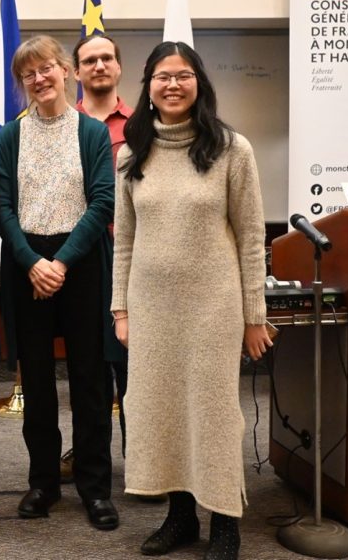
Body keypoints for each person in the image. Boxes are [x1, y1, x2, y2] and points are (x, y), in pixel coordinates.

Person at [111, 41, 271, 560]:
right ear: (148, 85)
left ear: (199, 82)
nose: (172, 84)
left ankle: (225, 523)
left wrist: (254, 316)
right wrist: (121, 308)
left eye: (183, 75)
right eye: (162, 76)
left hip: (213, 308)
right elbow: (125, 240)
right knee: (160, 410)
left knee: (213, 412)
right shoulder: (130, 152)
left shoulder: (231, 149)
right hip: (152, 306)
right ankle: (179, 517)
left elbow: (250, 238)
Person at [0, 35, 120, 531]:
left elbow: (103, 201)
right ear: (22, 83)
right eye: (29, 73)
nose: (40, 79)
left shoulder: (90, 132)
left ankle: (94, 488)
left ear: (67, 71)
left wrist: (61, 263)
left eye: (47, 68)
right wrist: (32, 263)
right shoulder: (9, 137)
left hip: (81, 263)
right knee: (38, 383)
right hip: (26, 267)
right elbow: (2, 207)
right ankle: (43, 482)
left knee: (91, 381)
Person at [72, 33, 133, 467]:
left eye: (106, 58)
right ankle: (91, 459)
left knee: (133, 366)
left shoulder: (142, 124)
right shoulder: (62, 125)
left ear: (118, 67)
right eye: (89, 60)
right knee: (88, 366)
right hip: (81, 256)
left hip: (132, 253)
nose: (98, 65)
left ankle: (143, 462)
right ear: (75, 72)